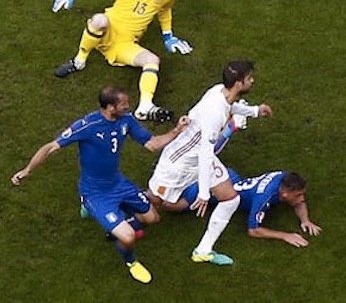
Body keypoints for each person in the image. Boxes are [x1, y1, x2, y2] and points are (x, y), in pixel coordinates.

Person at [11, 86, 190, 284]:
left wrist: (177, 130)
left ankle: (115, 224)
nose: (128, 106)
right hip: (95, 193)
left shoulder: (126, 119)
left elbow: (152, 144)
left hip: (118, 183)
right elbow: (51, 147)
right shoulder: (88, 125)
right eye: (123, 104)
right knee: (129, 237)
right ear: (110, 107)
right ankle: (131, 261)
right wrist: (27, 170)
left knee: (153, 218)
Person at [146, 60, 273, 265]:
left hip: (199, 158)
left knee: (231, 199)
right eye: (249, 78)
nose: (253, 80)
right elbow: (206, 153)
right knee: (155, 201)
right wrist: (204, 193)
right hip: (179, 163)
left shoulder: (219, 91)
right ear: (239, 83)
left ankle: (203, 250)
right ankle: (113, 203)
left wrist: (255, 111)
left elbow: (231, 106)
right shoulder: (215, 114)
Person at [51, 0, 192, 123]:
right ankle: (79, 61)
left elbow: (164, 10)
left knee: (152, 60)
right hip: (107, 31)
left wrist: (168, 36)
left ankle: (145, 107)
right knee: (99, 20)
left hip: (125, 45)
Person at [165, 169, 322, 247]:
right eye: (299, 195)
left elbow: (299, 202)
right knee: (171, 206)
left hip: (230, 177)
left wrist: (305, 220)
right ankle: (163, 185)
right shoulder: (264, 197)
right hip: (219, 191)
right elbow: (253, 230)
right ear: (286, 194)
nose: (302, 199)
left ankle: (190, 174)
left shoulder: (285, 178)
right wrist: (284, 235)